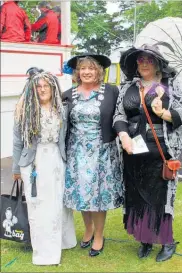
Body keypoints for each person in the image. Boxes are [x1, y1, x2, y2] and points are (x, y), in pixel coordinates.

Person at [113, 44, 182, 262]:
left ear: (158, 62)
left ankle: (167, 241)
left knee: (160, 197)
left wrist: (163, 113)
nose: (144, 63)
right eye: (140, 60)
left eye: (149, 59)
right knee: (136, 194)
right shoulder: (129, 86)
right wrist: (124, 136)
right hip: (132, 149)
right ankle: (145, 238)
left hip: (160, 150)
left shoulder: (171, 85)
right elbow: (119, 114)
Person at [12, 67, 77, 265]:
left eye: (45, 86)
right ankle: (44, 252)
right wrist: (16, 168)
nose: (41, 89)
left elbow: (66, 137)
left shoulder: (61, 109)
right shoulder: (24, 110)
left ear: (53, 87)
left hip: (56, 160)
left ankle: (62, 241)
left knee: (58, 203)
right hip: (34, 162)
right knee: (39, 206)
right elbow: (17, 141)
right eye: (38, 86)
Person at [63, 54, 123, 257]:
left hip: (102, 152)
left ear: (99, 71)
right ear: (77, 72)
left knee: (98, 196)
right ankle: (88, 229)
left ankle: (99, 235)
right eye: (82, 68)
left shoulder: (112, 92)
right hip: (76, 152)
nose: (86, 72)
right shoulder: (68, 94)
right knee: (82, 193)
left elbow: (123, 115)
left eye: (91, 68)